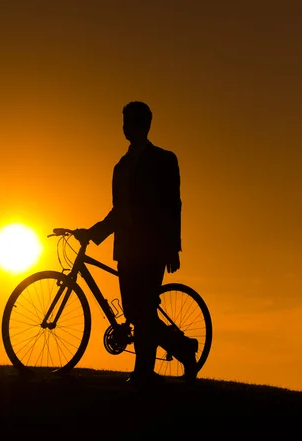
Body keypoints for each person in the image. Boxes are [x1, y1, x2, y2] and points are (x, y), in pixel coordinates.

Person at [73, 101, 198, 386]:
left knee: (143, 309)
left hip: (152, 246)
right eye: (125, 121)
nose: (128, 127)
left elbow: (172, 205)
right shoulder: (121, 165)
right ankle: (183, 348)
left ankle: (144, 372)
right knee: (134, 311)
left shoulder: (164, 159)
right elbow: (119, 210)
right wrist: (93, 232)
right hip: (127, 247)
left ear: (146, 125)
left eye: (133, 121)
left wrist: (172, 246)